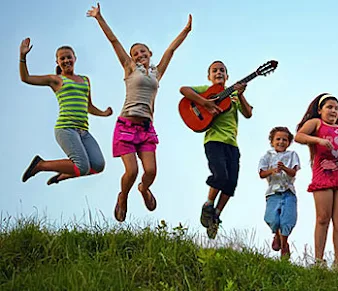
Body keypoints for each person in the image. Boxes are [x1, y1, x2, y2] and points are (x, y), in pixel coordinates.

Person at [87, 3, 192, 222]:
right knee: (132, 171)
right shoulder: (129, 69)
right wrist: (99, 18)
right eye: (135, 53)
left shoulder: (156, 73)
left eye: (142, 51)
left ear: (149, 54)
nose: (138, 55)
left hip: (145, 129)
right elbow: (114, 41)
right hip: (125, 126)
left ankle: (144, 189)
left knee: (151, 172)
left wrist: (185, 31)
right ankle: (123, 196)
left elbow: (170, 51)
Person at [20, 38, 111, 186]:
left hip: (83, 131)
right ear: (57, 62)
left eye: (69, 57)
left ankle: (63, 175)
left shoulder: (85, 80)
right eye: (62, 58)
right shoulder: (55, 80)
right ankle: (40, 165)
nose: (66, 60)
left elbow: (88, 106)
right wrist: (23, 57)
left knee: (98, 165)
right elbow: (26, 78)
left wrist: (103, 113)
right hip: (66, 128)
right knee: (82, 166)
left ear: (75, 58)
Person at [179, 61, 252, 239]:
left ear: (227, 76)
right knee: (220, 175)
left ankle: (216, 216)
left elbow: (248, 113)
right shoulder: (205, 88)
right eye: (215, 70)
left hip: (232, 144)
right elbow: (184, 90)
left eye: (222, 70)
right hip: (214, 141)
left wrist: (240, 95)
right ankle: (208, 205)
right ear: (209, 77)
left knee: (231, 183)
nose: (218, 72)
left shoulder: (233, 95)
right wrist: (205, 102)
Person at [295, 93, 338, 268]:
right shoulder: (317, 123)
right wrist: (318, 140)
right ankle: (319, 260)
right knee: (323, 218)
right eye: (329, 107)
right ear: (320, 110)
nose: (333, 111)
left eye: (336, 108)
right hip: (323, 173)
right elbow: (299, 136)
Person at [258, 126, 301, 259]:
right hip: (273, 192)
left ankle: (284, 245)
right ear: (272, 141)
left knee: (287, 219)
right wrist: (272, 171)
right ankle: (277, 235)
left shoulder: (292, 155)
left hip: (288, 191)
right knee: (272, 218)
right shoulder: (267, 156)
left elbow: (293, 172)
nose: (281, 142)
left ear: (289, 142)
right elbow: (261, 173)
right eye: (278, 139)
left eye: (284, 139)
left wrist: (284, 168)